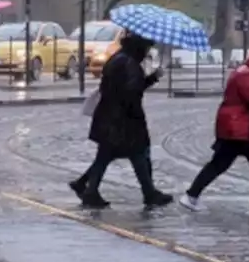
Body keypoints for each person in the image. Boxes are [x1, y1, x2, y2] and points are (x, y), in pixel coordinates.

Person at [71, 33, 173, 209]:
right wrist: (137, 116)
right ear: (139, 47)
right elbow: (132, 92)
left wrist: (152, 77)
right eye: (147, 47)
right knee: (137, 154)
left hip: (109, 116)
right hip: (123, 120)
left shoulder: (119, 58)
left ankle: (87, 187)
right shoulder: (129, 64)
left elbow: (127, 87)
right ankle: (148, 193)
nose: (148, 51)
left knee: (109, 155)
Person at [180, 47, 249, 213]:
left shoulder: (244, 71)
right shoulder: (246, 74)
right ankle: (191, 195)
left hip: (235, 126)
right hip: (238, 128)